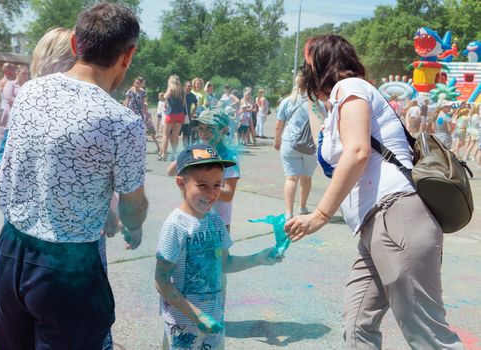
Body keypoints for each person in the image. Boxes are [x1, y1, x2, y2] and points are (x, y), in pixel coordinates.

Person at [285, 34, 463, 349]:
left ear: (323, 64)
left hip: (396, 214)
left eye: (308, 64)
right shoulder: (340, 105)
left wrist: (320, 215)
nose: (304, 71)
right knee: (357, 325)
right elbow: (332, 156)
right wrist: (309, 106)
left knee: (428, 336)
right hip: (374, 225)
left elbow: (357, 152)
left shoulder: (349, 87)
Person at [0, 4, 148, 349]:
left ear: (76, 44)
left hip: (11, 252)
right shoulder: (122, 122)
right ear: (128, 55)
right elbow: (132, 206)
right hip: (68, 268)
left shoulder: (30, 92)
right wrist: (134, 225)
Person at [155, 143, 281, 350]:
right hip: (183, 324)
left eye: (217, 185)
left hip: (213, 319)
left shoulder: (214, 220)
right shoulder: (175, 226)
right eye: (202, 185)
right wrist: (196, 315)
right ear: (181, 183)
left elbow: (226, 263)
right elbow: (160, 280)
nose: (212, 193)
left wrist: (259, 258)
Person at [169, 108, 240, 232]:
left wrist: (205, 186)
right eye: (201, 128)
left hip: (218, 222)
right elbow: (170, 171)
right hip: (195, 217)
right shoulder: (197, 151)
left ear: (224, 131)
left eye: (210, 129)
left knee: (219, 252)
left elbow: (228, 195)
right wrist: (188, 153)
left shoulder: (229, 157)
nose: (203, 133)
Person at [274, 78, 317, 220]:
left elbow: (279, 125)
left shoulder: (287, 101)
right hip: (310, 145)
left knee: (291, 178)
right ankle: (302, 207)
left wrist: (277, 140)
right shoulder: (316, 102)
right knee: (307, 178)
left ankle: (288, 212)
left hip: (289, 143)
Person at [125, 76, 160, 154]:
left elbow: (144, 101)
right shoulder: (130, 91)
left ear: (140, 84)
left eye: (139, 83)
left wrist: (146, 109)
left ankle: (139, 147)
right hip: (131, 112)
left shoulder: (142, 92)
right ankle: (131, 147)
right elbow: (127, 102)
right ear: (134, 83)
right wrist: (126, 111)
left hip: (139, 113)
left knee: (140, 130)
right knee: (131, 130)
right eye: (136, 83)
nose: (137, 84)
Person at [160, 75, 185, 161]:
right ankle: (173, 154)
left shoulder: (171, 89)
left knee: (165, 135)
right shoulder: (181, 90)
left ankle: (163, 154)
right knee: (176, 135)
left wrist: (165, 94)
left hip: (171, 114)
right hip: (180, 114)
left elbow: (165, 97)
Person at [0, 65, 30, 130]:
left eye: (27, 74)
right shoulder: (11, 84)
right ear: (17, 73)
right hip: (10, 115)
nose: (26, 75)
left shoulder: (29, 86)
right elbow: (9, 97)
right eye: (23, 73)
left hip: (24, 116)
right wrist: (24, 102)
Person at [182, 80, 198, 147]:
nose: (190, 87)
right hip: (179, 115)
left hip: (187, 116)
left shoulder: (192, 96)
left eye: (191, 86)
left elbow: (196, 104)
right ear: (184, 86)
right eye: (188, 86)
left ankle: (185, 148)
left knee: (186, 133)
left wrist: (193, 112)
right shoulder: (180, 94)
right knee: (176, 133)